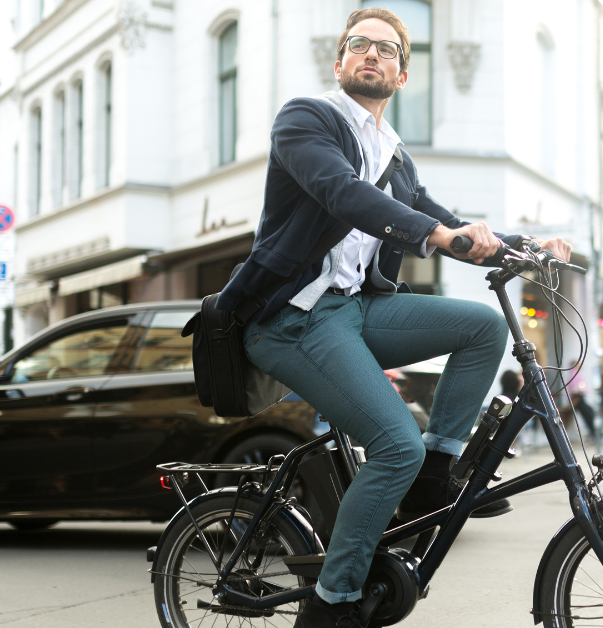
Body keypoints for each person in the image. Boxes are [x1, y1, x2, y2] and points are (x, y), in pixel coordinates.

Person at [215, 8, 572, 626]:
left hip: (355, 311)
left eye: (385, 49)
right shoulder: (308, 118)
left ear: (403, 75)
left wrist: (528, 246)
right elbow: (343, 194)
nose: (371, 54)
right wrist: (436, 235)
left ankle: (435, 473)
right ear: (340, 61)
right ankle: (333, 603)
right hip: (292, 319)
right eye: (359, 45)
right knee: (392, 445)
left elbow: (446, 218)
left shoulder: (396, 156)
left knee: (481, 327)